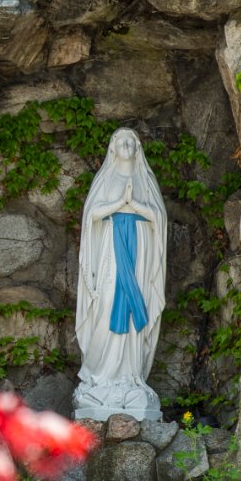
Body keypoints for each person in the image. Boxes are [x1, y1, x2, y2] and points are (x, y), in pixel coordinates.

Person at [72, 128, 167, 421]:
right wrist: (118, 205)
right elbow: (91, 216)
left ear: (138, 148)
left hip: (140, 255)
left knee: (136, 307)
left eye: (131, 141)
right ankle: (101, 376)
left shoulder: (146, 180)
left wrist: (135, 206)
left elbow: (159, 218)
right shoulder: (105, 179)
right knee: (106, 303)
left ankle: (130, 376)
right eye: (120, 140)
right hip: (110, 254)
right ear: (112, 147)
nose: (126, 144)